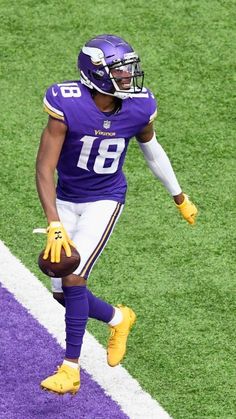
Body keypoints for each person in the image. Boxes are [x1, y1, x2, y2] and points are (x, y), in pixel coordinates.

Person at [36, 34, 197, 395]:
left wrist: (179, 196)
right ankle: (119, 318)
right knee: (61, 290)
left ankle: (70, 369)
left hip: (104, 199)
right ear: (95, 74)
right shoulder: (68, 105)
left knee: (74, 277)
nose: (128, 77)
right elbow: (44, 167)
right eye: (120, 71)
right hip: (66, 198)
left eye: (128, 70)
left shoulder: (139, 107)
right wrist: (54, 222)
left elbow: (153, 151)